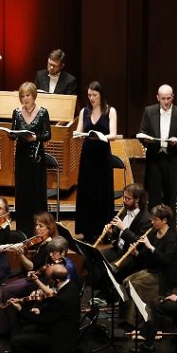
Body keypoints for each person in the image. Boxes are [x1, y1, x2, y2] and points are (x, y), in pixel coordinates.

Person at [119, 205, 177, 351]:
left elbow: (166, 260)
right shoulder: (154, 232)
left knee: (133, 284)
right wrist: (137, 253)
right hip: (151, 271)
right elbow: (145, 253)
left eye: (155, 219)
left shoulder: (171, 237)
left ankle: (135, 321)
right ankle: (127, 318)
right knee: (125, 281)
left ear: (164, 220)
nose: (152, 221)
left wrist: (151, 247)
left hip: (162, 277)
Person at [9, 264, 80, 353]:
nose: (47, 282)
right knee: (26, 331)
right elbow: (55, 313)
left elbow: (42, 321)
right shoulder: (72, 286)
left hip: (60, 339)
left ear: (56, 280)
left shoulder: (62, 299)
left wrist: (20, 309)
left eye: (48, 279)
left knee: (17, 342)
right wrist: (41, 310)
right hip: (65, 328)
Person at [0, 212, 61, 337]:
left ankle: (13, 329)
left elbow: (32, 266)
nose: (37, 228)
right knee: (7, 289)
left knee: (8, 291)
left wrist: (20, 254)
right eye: (36, 225)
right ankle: (8, 325)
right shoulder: (40, 242)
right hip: (32, 276)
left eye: (41, 226)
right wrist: (22, 247)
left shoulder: (49, 246)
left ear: (50, 228)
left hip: (39, 281)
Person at [74, 81, 117, 242]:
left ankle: (103, 231)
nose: (91, 98)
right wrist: (77, 134)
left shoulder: (110, 111)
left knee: (102, 191)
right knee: (87, 190)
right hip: (88, 155)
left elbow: (113, 134)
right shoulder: (85, 111)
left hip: (102, 154)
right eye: (89, 95)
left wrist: (101, 136)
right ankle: (87, 230)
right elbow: (79, 130)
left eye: (95, 95)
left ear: (101, 95)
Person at [138, 84, 177, 210]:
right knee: (154, 200)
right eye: (163, 98)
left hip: (172, 160)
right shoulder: (149, 111)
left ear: (173, 97)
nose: (166, 102)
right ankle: (154, 229)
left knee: (170, 201)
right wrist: (146, 140)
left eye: (169, 98)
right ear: (157, 97)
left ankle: (170, 230)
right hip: (154, 159)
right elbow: (142, 132)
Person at [9, 82, 52, 230]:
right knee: (23, 193)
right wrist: (12, 134)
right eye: (22, 96)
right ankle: (23, 228)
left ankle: (41, 228)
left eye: (27, 95)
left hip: (36, 157)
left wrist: (35, 137)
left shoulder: (42, 112)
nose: (25, 98)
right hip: (21, 157)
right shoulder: (16, 112)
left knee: (36, 192)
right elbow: (13, 133)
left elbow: (47, 135)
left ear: (34, 95)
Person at [98, 183, 153, 280]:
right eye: (124, 197)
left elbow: (139, 243)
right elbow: (115, 235)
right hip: (117, 249)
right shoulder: (124, 210)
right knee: (94, 258)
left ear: (137, 199)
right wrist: (109, 232)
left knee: (109, 269)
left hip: (130, 255)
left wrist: (124, 229)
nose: (124, 201)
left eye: (127, 199)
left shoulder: (146, 219)